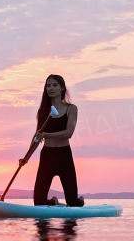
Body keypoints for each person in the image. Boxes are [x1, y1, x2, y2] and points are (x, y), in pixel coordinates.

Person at [20, 74, 85, 206]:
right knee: (38, 202)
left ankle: (80, 201)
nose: (51, 88)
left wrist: (46, 135)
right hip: (47, 156)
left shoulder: (71, 109)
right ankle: (54, 202)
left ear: (62, 88)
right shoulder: (43, 111)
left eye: (55, 85)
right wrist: (26, 158)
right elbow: (37, 137)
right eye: (48, 85)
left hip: (64, 156)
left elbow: (69, 133)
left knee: (72, 202)